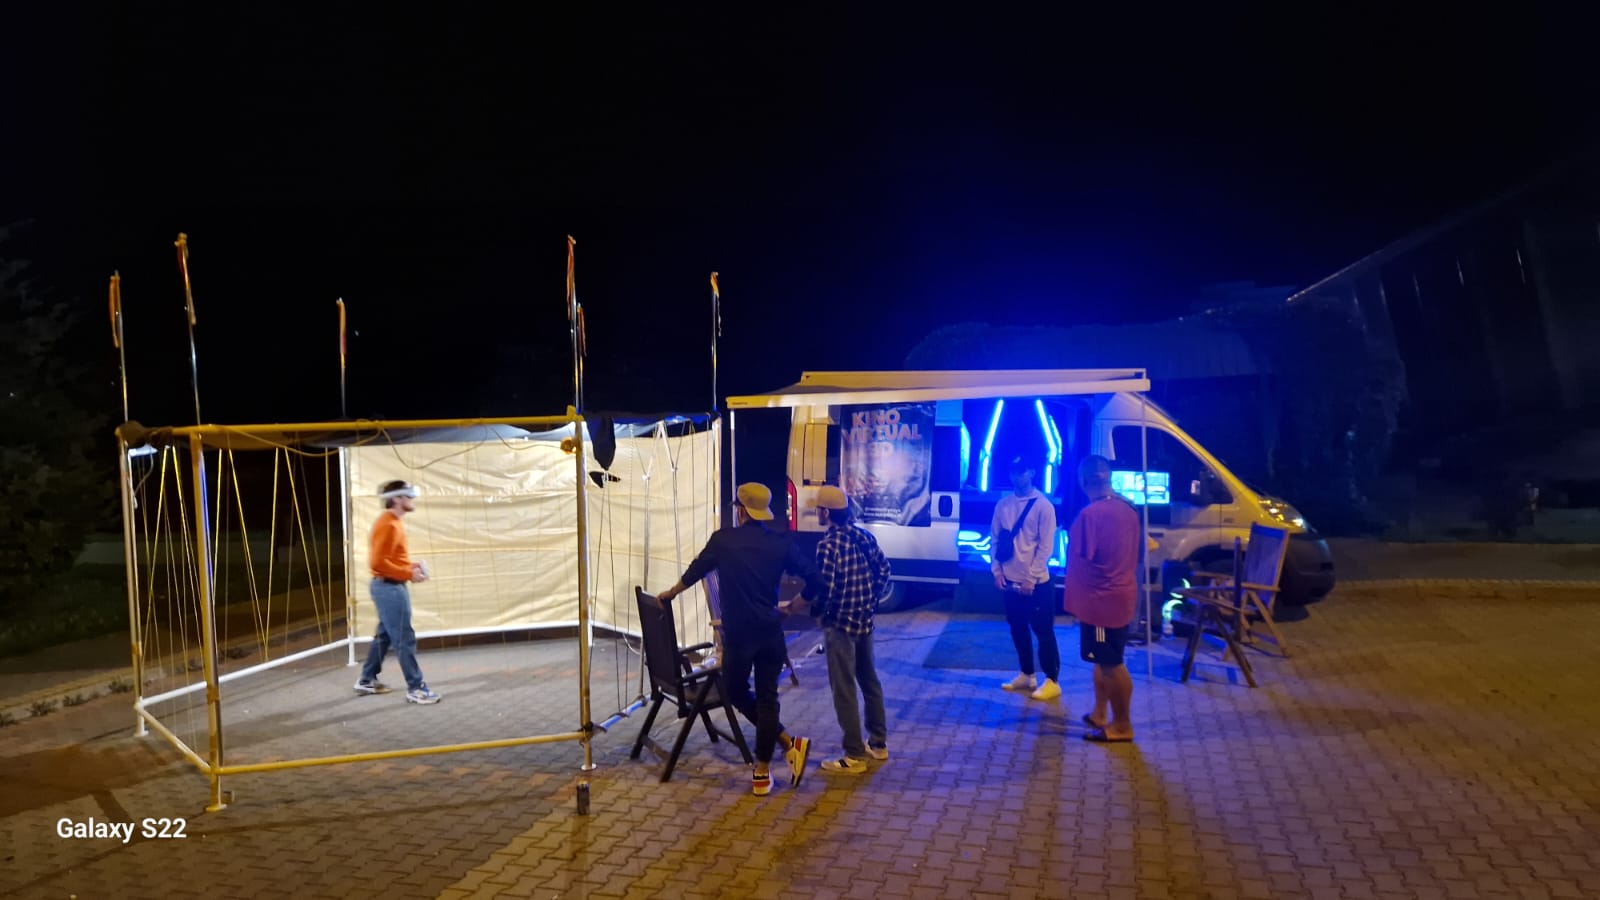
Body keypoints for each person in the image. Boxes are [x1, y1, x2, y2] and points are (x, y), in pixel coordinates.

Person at [653, 482, 824, 796]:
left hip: (738, 635)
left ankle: (768, 764)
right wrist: (795, 606)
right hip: (770, 632)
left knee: (735, 690)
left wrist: (671, 593)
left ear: (742, 511)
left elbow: (696, 570)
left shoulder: (724, 541)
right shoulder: (780, 544)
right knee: (767, 698)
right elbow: (814, 578)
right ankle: (777, 755)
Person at [811, 485, 892, 775]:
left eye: (818, 509)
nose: (817, 513)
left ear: (826, 513)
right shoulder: (864, 536)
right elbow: (884, 570)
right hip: (864, 622)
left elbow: (827, 589)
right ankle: (878, 743)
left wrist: (819, 615)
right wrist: (870, 601)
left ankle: (854, 754)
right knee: (869, 681)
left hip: (840, 627)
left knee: (843, 689)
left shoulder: (828, 546)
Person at [1063, 455, 1142, 742]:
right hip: (1120, 596)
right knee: (1102, 660)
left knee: (1111, 663)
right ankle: (1100, 712)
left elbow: (1083, 555)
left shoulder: (1091, 516)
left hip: (1101, 602)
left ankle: (1122, 725)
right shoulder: (1128, 509)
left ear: (1084, 482)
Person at [355, 480, 442, 705]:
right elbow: (378, 563)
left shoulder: (392, 522)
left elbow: (388, 559)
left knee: (384, 636)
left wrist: (409, 567)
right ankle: (416, 688)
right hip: (389, 588)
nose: (412, 499)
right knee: (404, 638)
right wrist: (408, 573)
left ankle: (366, 679)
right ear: (396, 499)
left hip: (389, 586)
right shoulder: (389, 524)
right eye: (409, 495)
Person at [992, 455, 1062, 700]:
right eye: (1013, 471)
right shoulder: (1003, 505)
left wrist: (1032, 577)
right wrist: (997, 571)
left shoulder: (1043, 506)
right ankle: (1027, 674)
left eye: (1021, 471)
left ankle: (1052, 680)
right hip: (1010, 579)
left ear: (1032, 472)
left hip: (1037, 583)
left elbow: (1046, 546)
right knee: (1017, 628)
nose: (1016, 476)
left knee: (1043, 630)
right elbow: (995, 539)